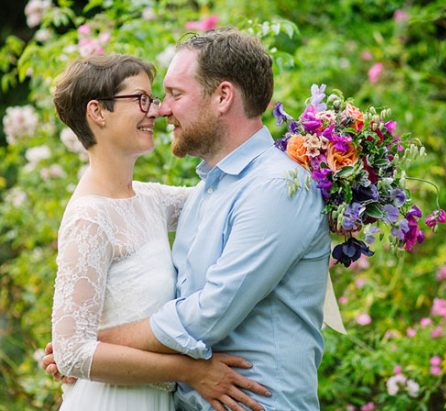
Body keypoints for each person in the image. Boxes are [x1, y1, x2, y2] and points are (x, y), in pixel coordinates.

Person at [95, 28, 332, 410]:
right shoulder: (207, 190)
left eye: (176, 94)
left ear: (223, 96)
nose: (161, 109)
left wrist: (97, 347)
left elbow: (207, 316)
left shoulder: (277, 187)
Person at [48, 53, 269, 411]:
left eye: (151, 99)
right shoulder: (88, 217)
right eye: (140, 99)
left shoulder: (153, 200)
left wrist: (316, 164)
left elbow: (236, 196)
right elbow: (72, 353)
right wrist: (190, 371)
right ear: (97, 112)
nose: (154, 110)